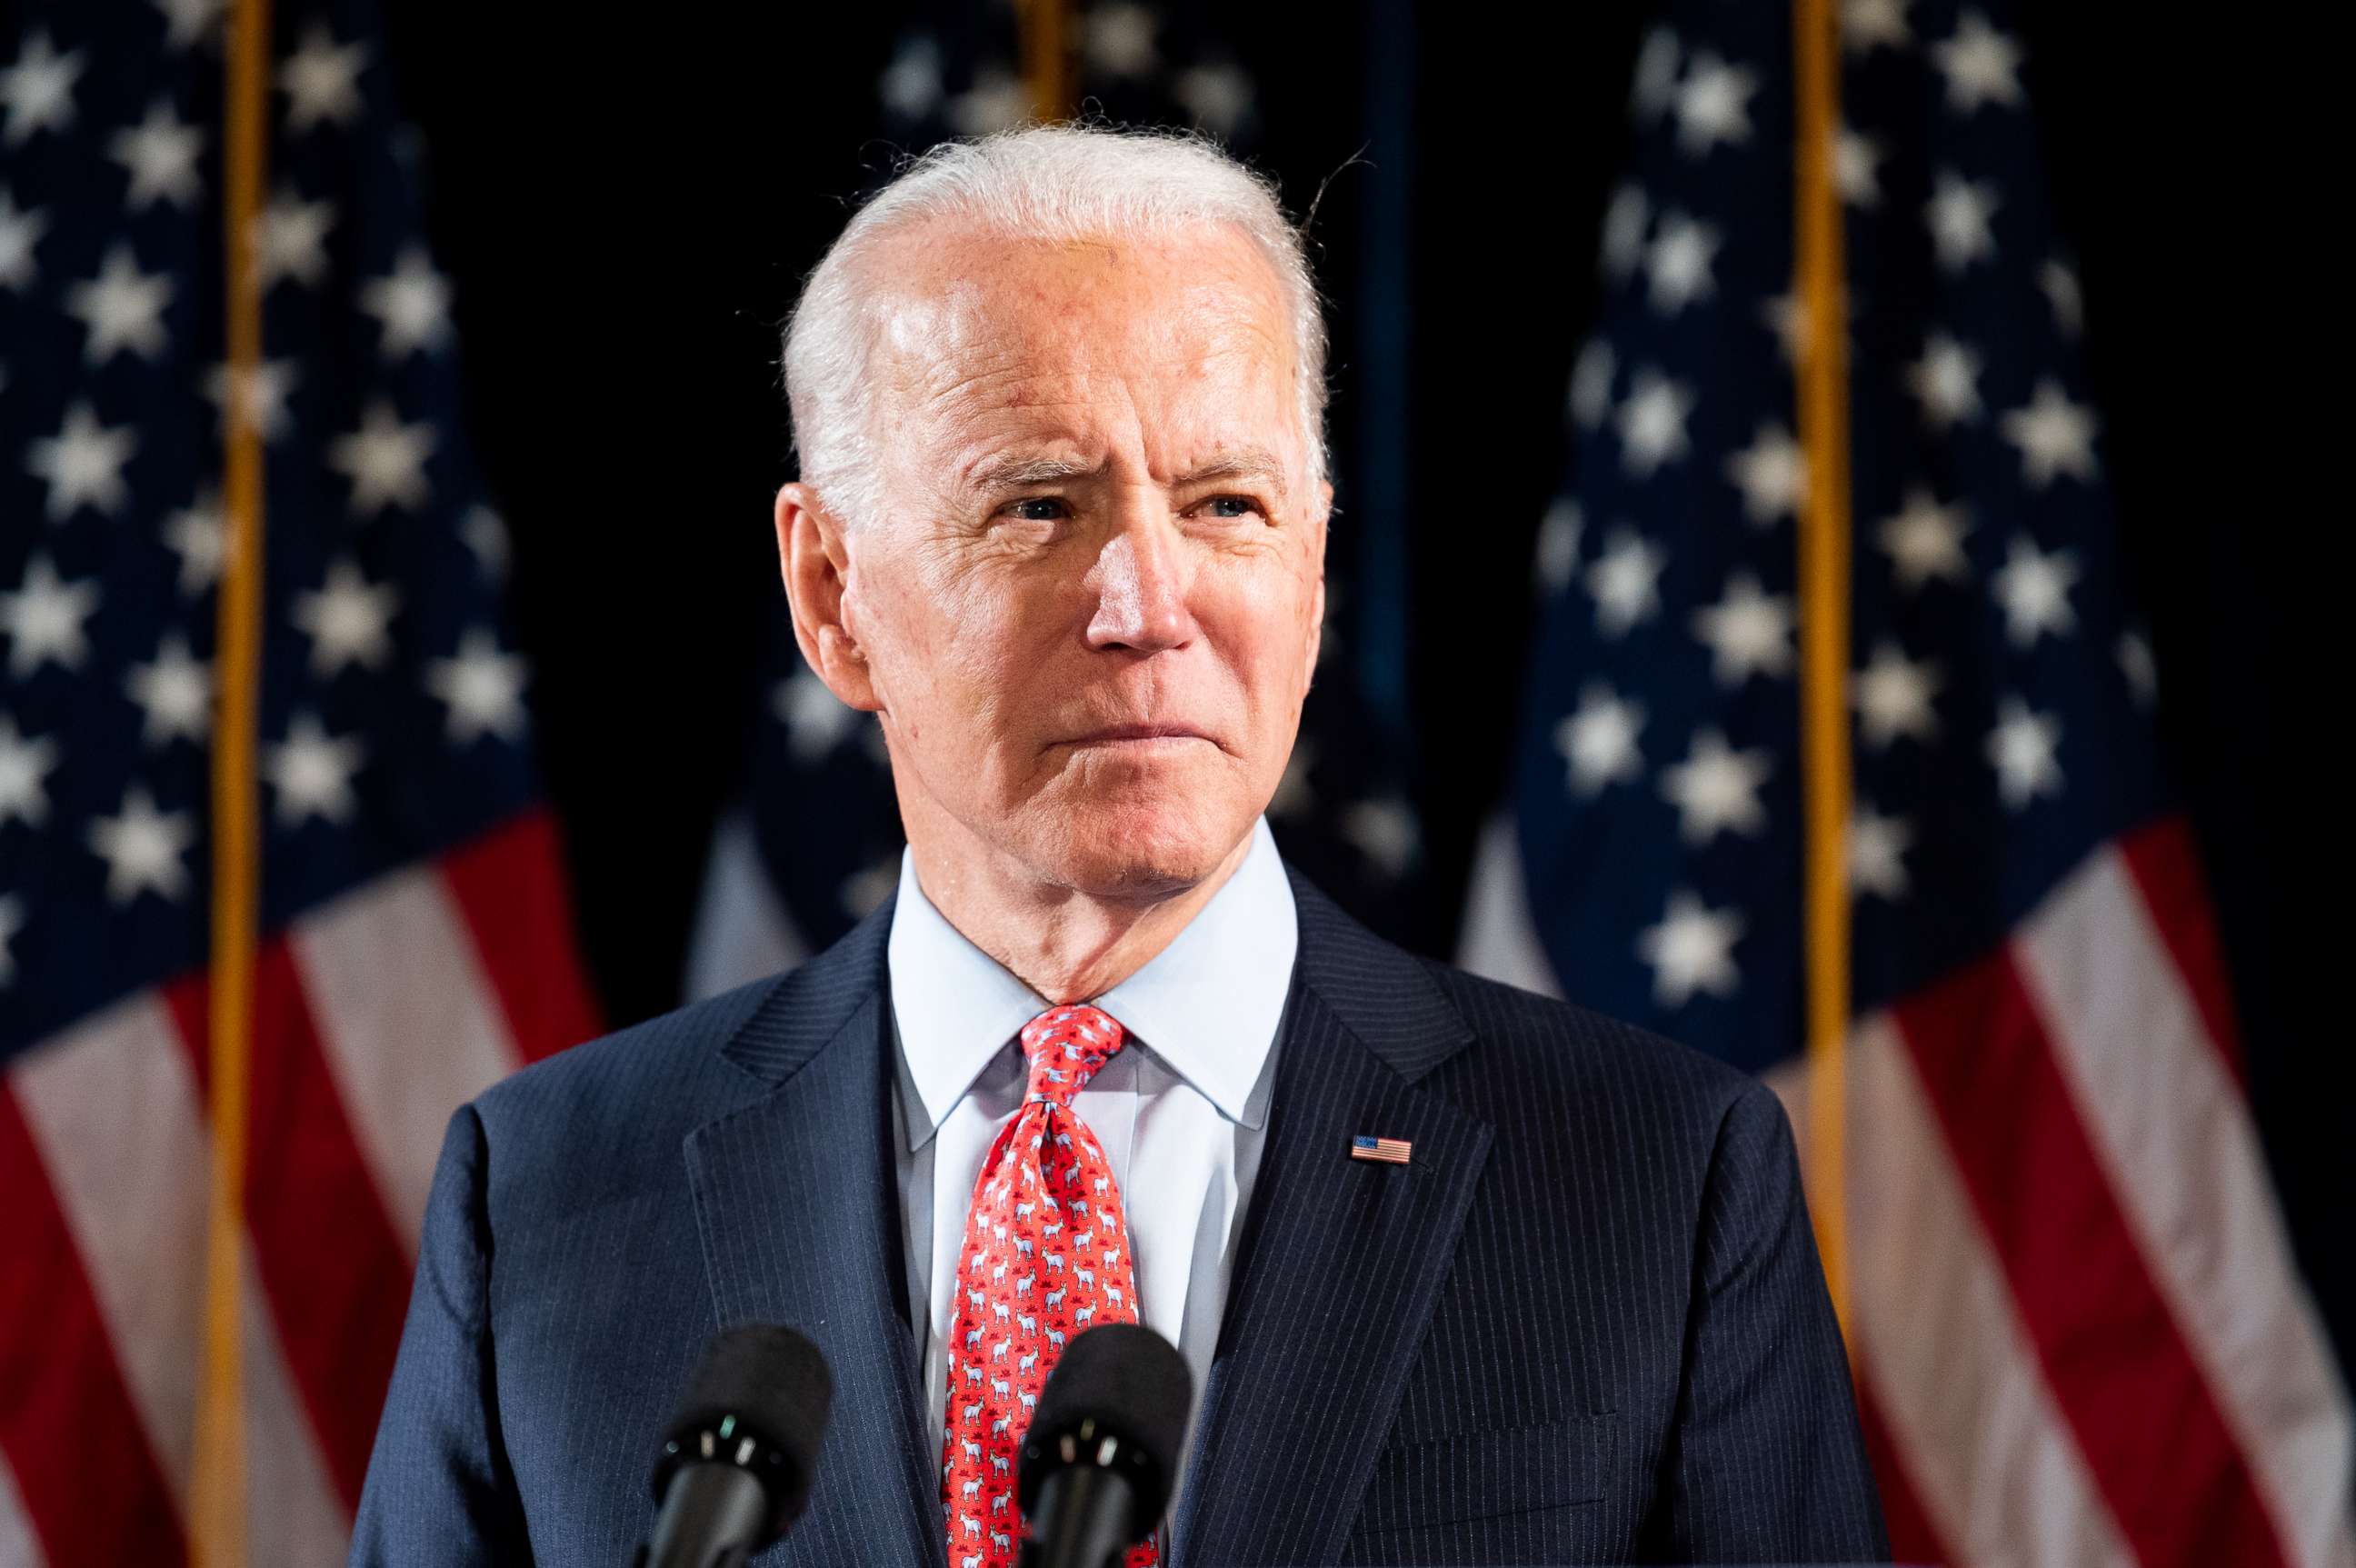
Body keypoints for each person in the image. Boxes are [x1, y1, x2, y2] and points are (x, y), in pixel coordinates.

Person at [352, 124, 1886, 1567]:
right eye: (1037, 504)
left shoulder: (1655, 1186)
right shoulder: (548, 1201)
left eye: (1226, 504)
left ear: (1314, 569)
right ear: (832, 595)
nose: (1151, 604)